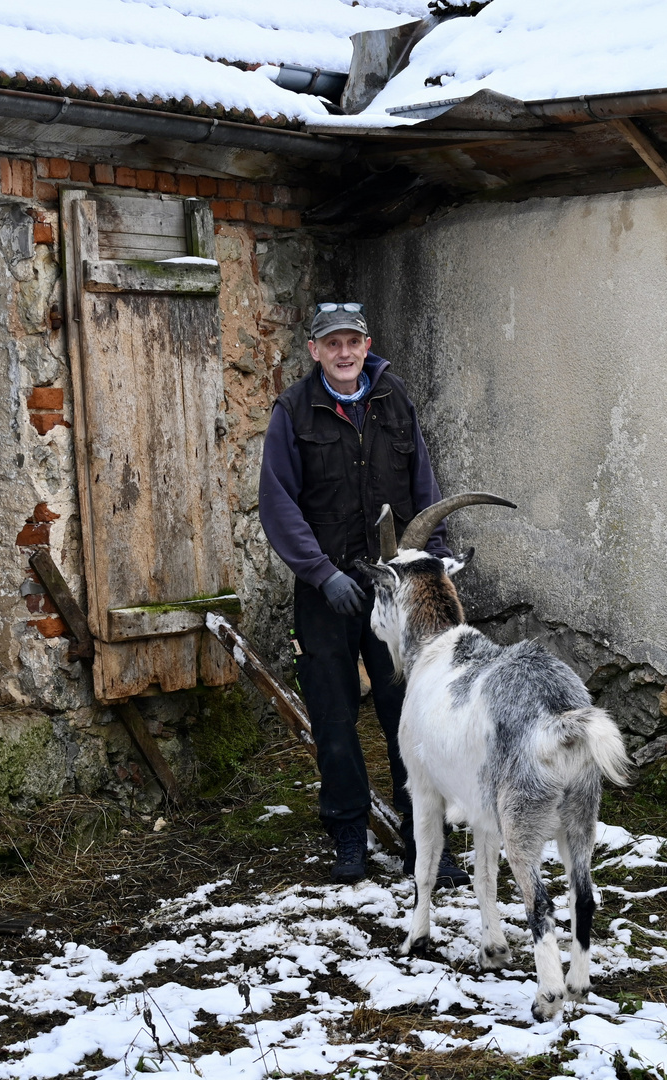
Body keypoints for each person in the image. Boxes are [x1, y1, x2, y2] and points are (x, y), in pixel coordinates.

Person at [258, 301, 471, 887]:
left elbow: (423, 484)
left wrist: (437, 556)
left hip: (396, 591)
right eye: (333, 344)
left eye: (353, 342)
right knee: (333, 717)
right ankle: (349, 837)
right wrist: (321, 573)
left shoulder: (394, 400)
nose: (344, 352)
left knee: (409, 714)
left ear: (366, 344)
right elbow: (277, 502)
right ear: (315, 350)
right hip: (327, 592)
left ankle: (426, 845)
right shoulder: (294, 411)